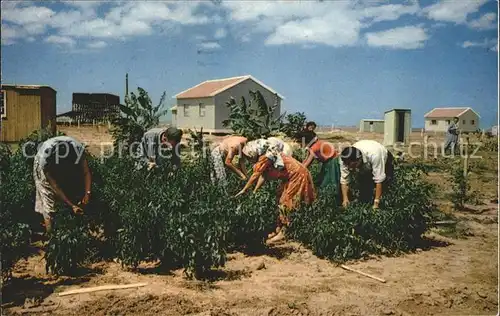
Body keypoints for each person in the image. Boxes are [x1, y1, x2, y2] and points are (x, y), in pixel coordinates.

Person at [235, 144, 316, 244]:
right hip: (290, 176)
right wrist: (255, 190)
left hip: (297, 175)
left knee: (286, 202)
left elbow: (256, 175)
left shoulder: (265, 158)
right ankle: (278, 228)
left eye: (248, 157)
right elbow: (263, 175)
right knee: (279, 197)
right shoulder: (266, 157)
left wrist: (244, 190)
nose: (248, 160)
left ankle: (284, 233)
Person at [33, 136, 92, 233]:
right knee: (48, 199)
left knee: (72, 187)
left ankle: (70, 223)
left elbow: (86, 172)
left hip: (61, 162)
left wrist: (87, 194)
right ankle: (51, 237)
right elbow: (55, 186)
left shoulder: (77, 149)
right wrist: (71, 205)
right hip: (42, 163)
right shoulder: (45, 159)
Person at [339, 140, 394, 210]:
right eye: (348, 166)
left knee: (386, 184)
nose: (350, 168)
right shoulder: (344, 159)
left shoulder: (375, 155)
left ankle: (384, 205)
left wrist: (376, 204)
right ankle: (366, 200)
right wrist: (345, 199)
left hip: (383, 157)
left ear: (359, 159)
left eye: (352, 166)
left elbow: (379, 179)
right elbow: (344, 180)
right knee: (365, 186)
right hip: (366, 160)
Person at [298, 131, 341, 200]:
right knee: (324, 181)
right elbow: (306, 160)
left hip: (332, 163)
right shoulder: (315, 144)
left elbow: (307, 163)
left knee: (330, 183)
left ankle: (333, 200)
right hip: (327, 163)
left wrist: (297, 170)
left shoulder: (315, 147)